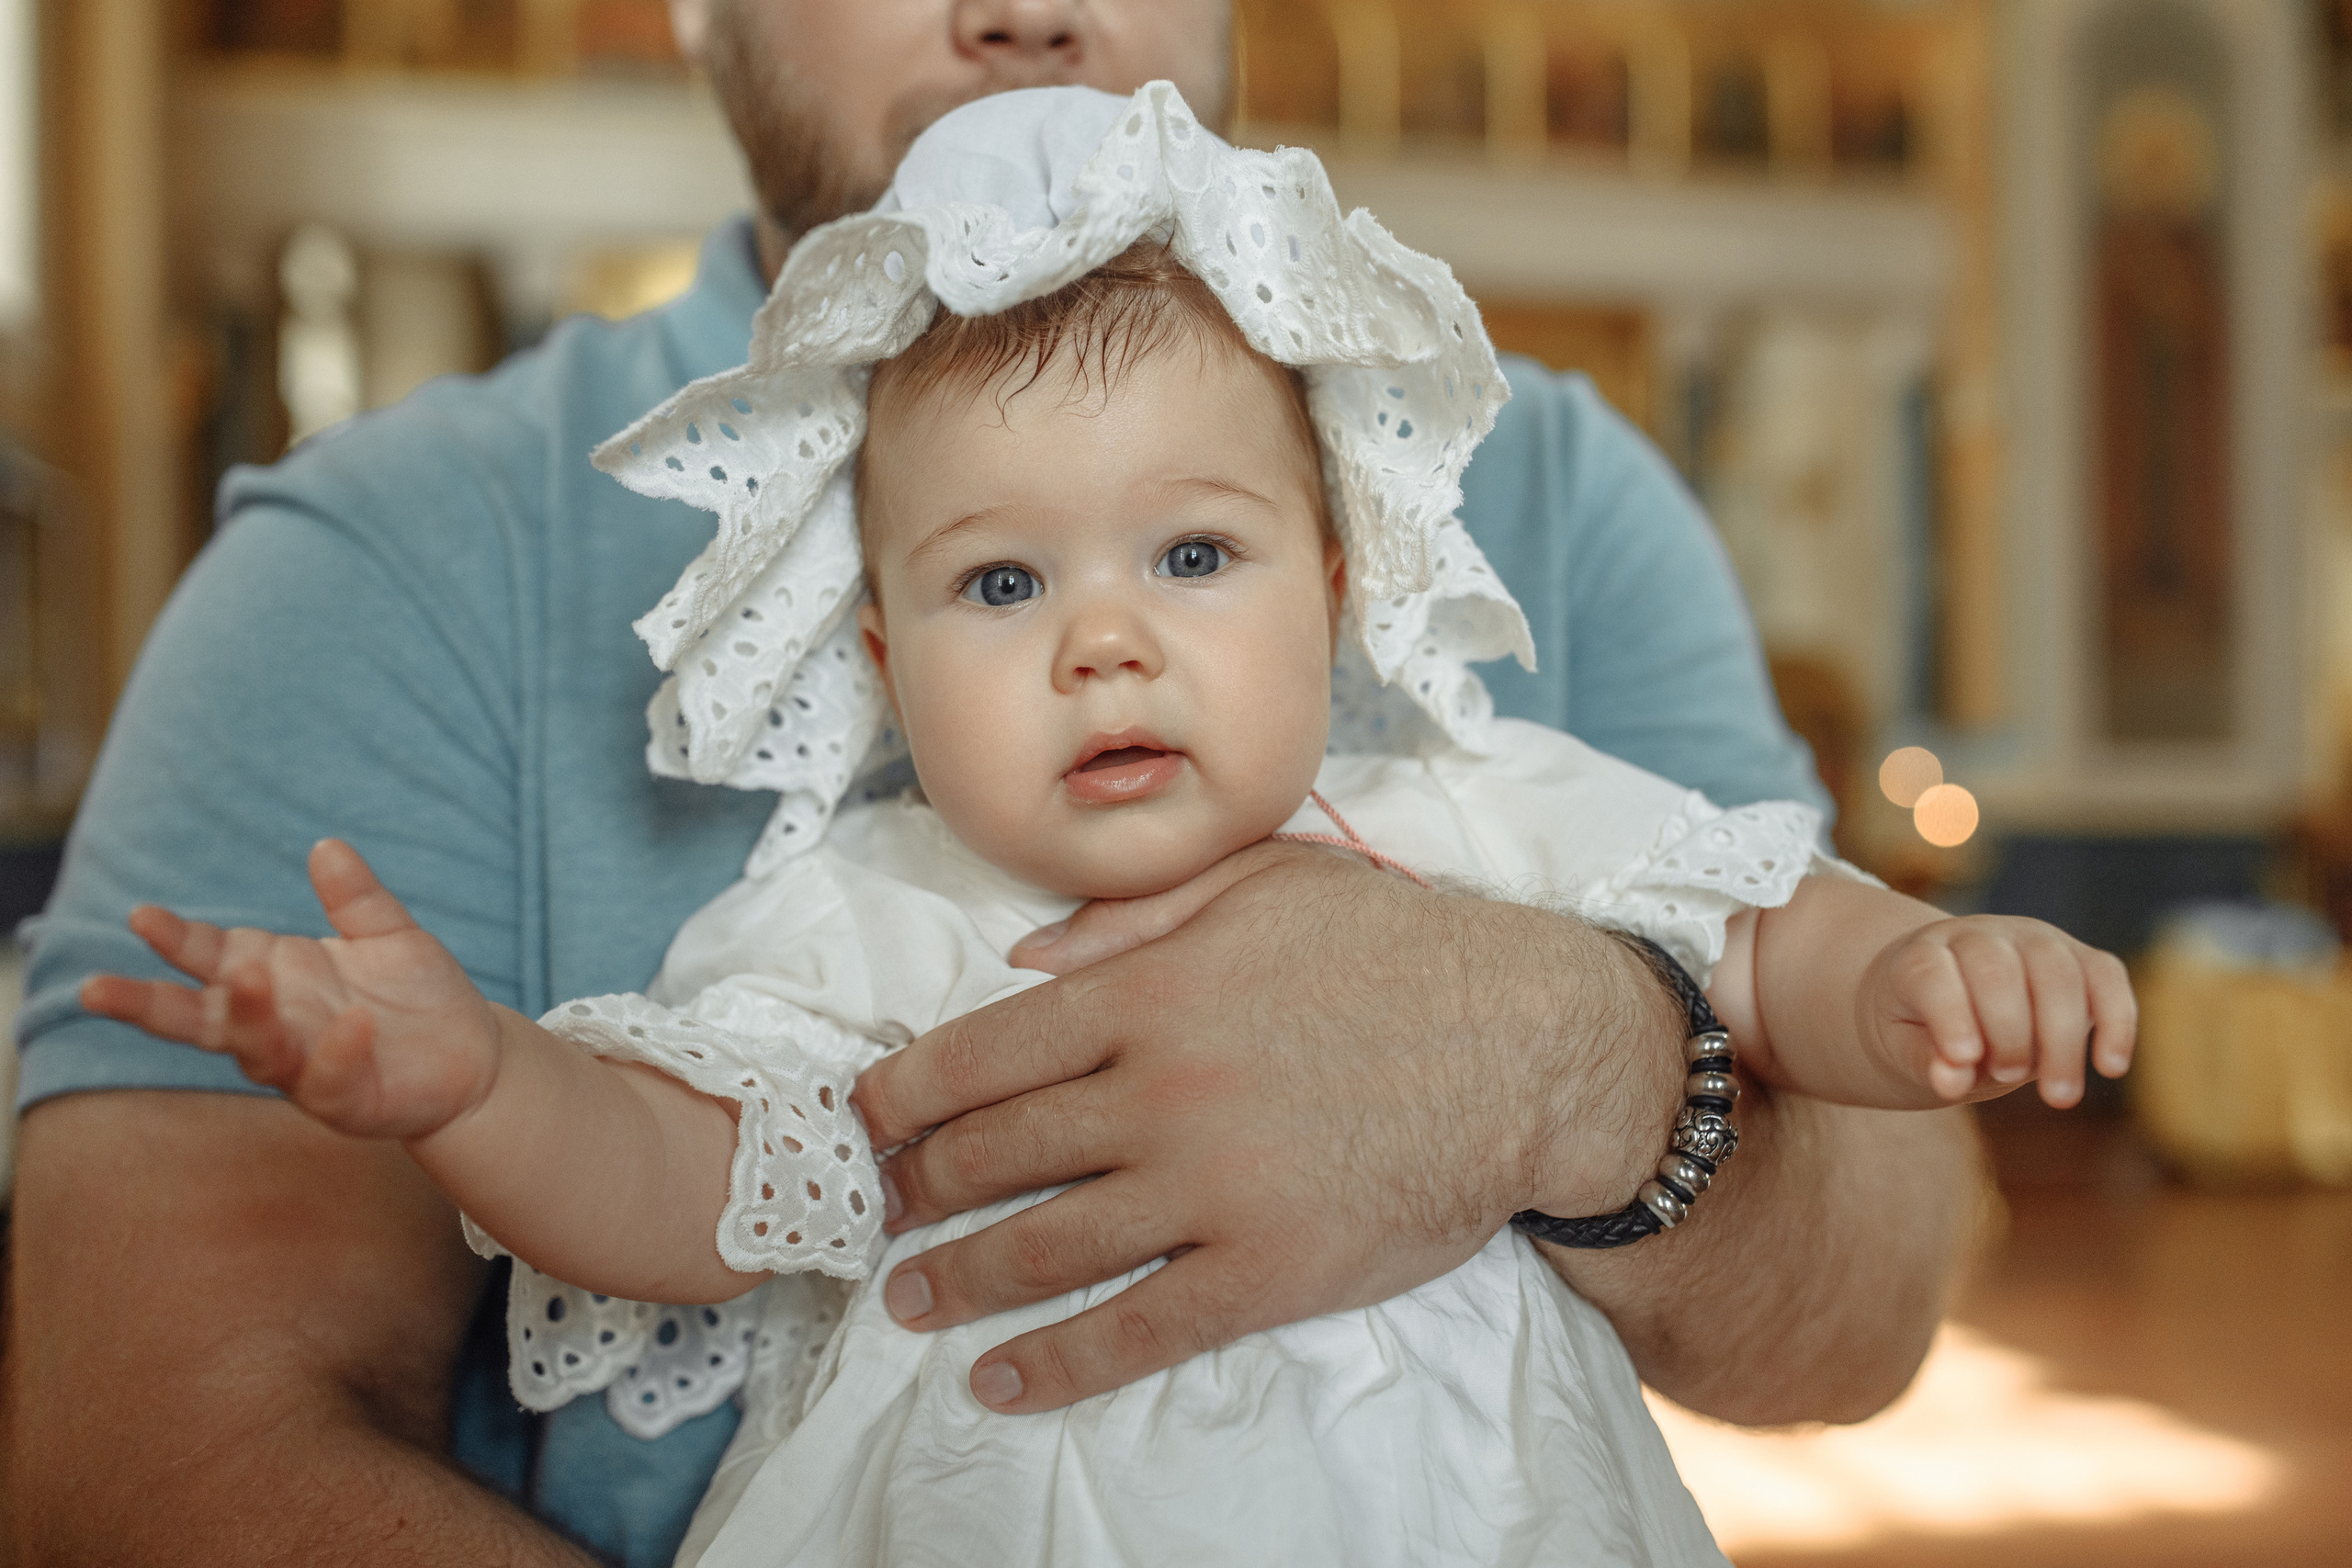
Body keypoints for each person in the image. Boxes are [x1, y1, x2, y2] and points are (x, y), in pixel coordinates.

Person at [6, 5, 1983, 1565]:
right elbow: (170, 1450)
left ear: (1344, 572)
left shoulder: (1508, 629)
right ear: (873, 648)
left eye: (1198, 554)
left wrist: (1587, 1054)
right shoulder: (788, 844)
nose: (1026, 7)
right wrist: (483, 1083)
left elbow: (1858, 1225)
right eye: (1001, 580)